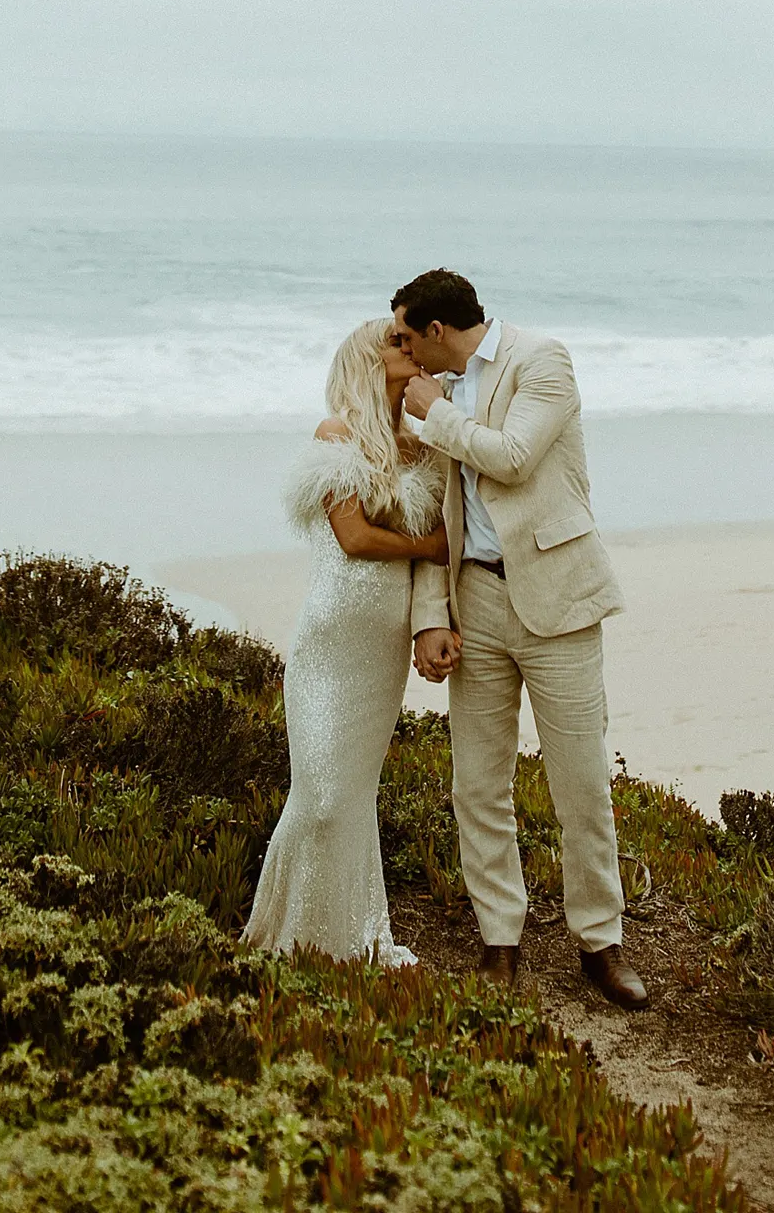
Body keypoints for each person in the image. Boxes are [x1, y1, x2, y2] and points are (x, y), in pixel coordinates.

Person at [393, 268, 647, 1011]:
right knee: (477, 784)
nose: (406, 357)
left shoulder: (542, 360)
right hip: (476, 598)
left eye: (411, 339)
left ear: (440, 332)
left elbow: (511, 458)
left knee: (581, 786)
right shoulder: (433, 401)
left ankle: (601, 945)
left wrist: (436, 414)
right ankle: (499, 939)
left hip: (559, 602)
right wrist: (430, 614)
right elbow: (434, 520)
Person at [241, 318, 449, 966]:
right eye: (395, 342)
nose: (409, 349)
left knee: (355, 795)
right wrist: (428, 544)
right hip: (330, 644)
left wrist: (431, 619)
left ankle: (353, 937)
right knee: (321, 797)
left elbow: (436, 558)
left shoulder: (423, 451)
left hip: (382, 653)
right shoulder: (335, 436)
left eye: (412, 341)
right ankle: (289, 934)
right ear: (366, 359)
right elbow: (355, 540)